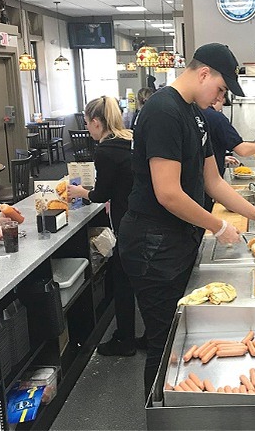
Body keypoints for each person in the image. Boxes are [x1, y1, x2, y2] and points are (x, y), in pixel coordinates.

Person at [118, 43, 255, 394]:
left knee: (182, 336)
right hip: (152, 244)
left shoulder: (195, 113)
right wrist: (217, 225)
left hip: (177, 237)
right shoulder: (163, 111)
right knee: (166, 345)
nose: (220, 97)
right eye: (220, 89)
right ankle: (159, 415)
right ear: (203, 73)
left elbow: (213, 181)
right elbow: (168, 192)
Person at [67, 96, 147, 356]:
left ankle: (125, 340)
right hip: (140, 213)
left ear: (96, 122)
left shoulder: (104, 150)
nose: (87, 129)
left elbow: (101, 194)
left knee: (121, 280)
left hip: (125, 220)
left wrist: (79, 191)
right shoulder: (129, 140)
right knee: (139, 278)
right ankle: (149, 335)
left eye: (88, 123)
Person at [201, 98, 255, 211]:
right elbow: (242, 150)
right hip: (207, 188)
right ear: (218, 99)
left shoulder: (193, 113)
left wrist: (221, 158)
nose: (222, 108)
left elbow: (201, 149)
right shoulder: (216, 117)